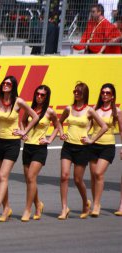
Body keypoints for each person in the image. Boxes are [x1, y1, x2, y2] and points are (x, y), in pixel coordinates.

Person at [0, 76, 39, 223]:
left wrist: (24, 131)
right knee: (1, 178)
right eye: (4, 83)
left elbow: (34, 117)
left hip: (12, 143)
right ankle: (6, 208)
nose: (5, 85)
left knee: (3, 175)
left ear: (13, 86)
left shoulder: (19, 101)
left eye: (8, 83)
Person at [58, 82, 107, 220]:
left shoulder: (90, 110)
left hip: (82, 148)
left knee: (78, 179)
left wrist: (92, 139)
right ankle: (64, 208)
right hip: (68, 146)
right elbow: (59, 122)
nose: (76, 93)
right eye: (75, 91)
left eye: (79, 91)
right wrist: (61, 133)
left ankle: (86, 203)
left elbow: (103, 126)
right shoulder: (68, 108)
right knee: (64, 176)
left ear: (84, 94)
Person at [20, 85, 63, 222]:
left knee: (31, 177)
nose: (39, 97)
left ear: (47, 97)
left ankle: (28, 209)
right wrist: (23, 134)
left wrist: (49, 139)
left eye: (42, 95)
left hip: (40, 148)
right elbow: (22, 121)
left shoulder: (50, 112)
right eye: (37, 94)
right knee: (29, 179)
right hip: (27, 147)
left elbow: (57, 126)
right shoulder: (30, 109)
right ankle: (38, 203)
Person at [88, 83, 122, 217]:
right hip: (93, 145)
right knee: (92, 176)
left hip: (107, 146)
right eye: (103, 92)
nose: (105, 95)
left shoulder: (117, 111)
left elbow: (121, 130)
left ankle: (96, 205)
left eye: (108, 93)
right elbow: (89, 126)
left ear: (113, 96)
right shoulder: (95, 109)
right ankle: (97, 202)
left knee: (98, 173)